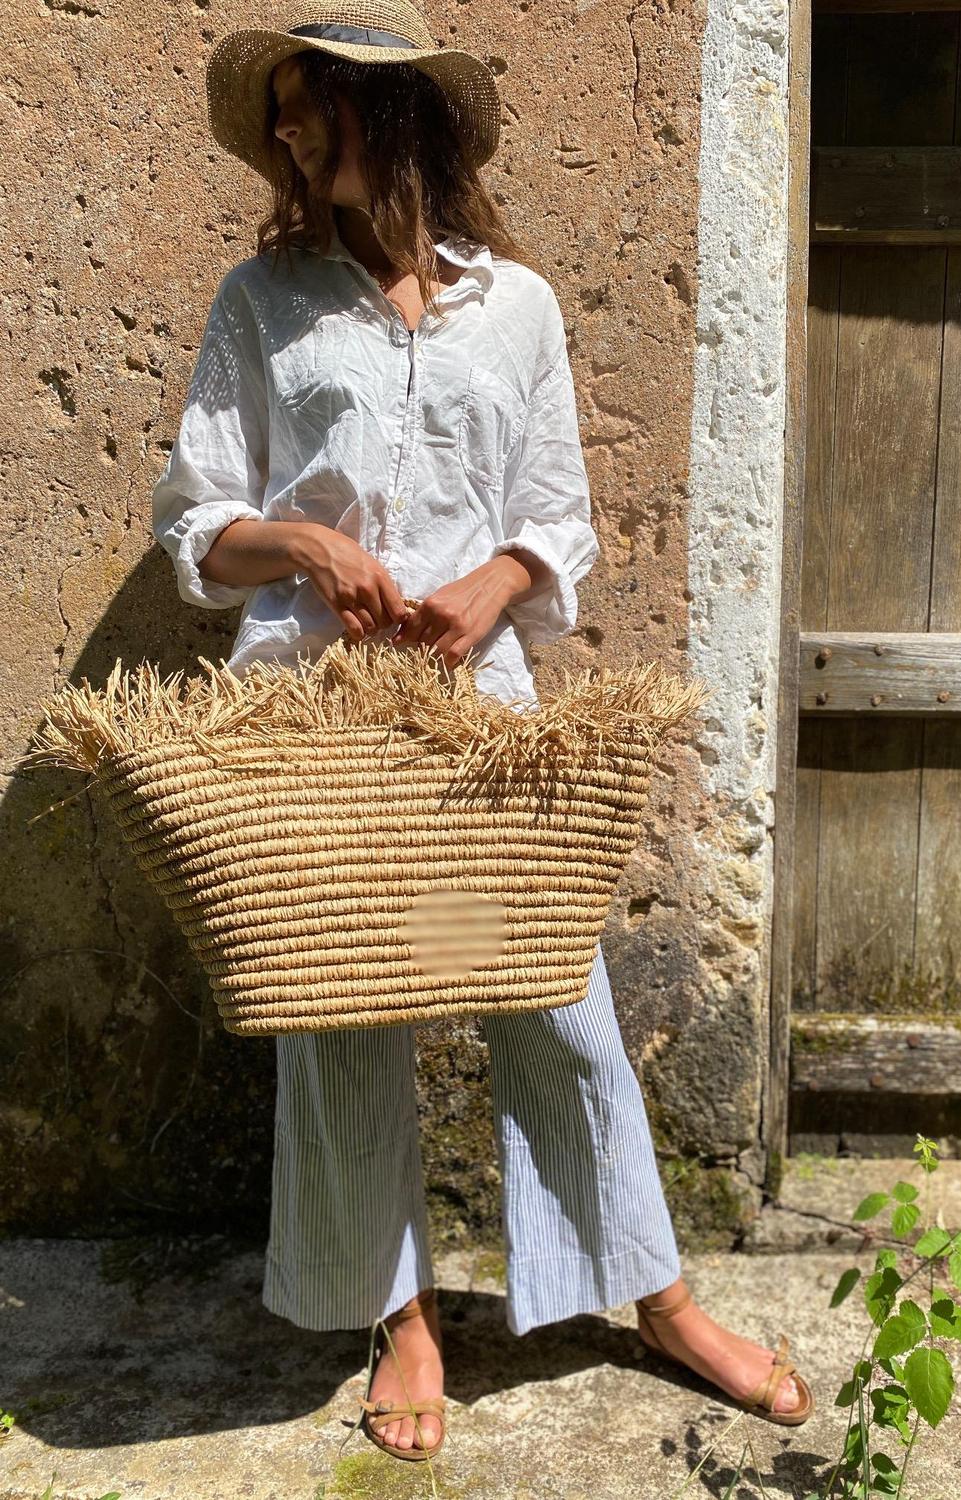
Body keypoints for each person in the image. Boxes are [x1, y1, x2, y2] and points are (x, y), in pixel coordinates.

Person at [151, 0, 812, 1463]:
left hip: (480, 711)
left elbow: (557, 515)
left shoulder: (514, 304)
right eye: (282, 109)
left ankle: (652, 1295)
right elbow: (193, 522)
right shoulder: (259, 304)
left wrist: (494, 584)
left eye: (314, 103)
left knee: (557, 1004)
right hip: (311, 710)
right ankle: (399, 1317)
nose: (288, 130)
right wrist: (308, 553)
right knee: (341, 1024)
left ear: (398, 121)